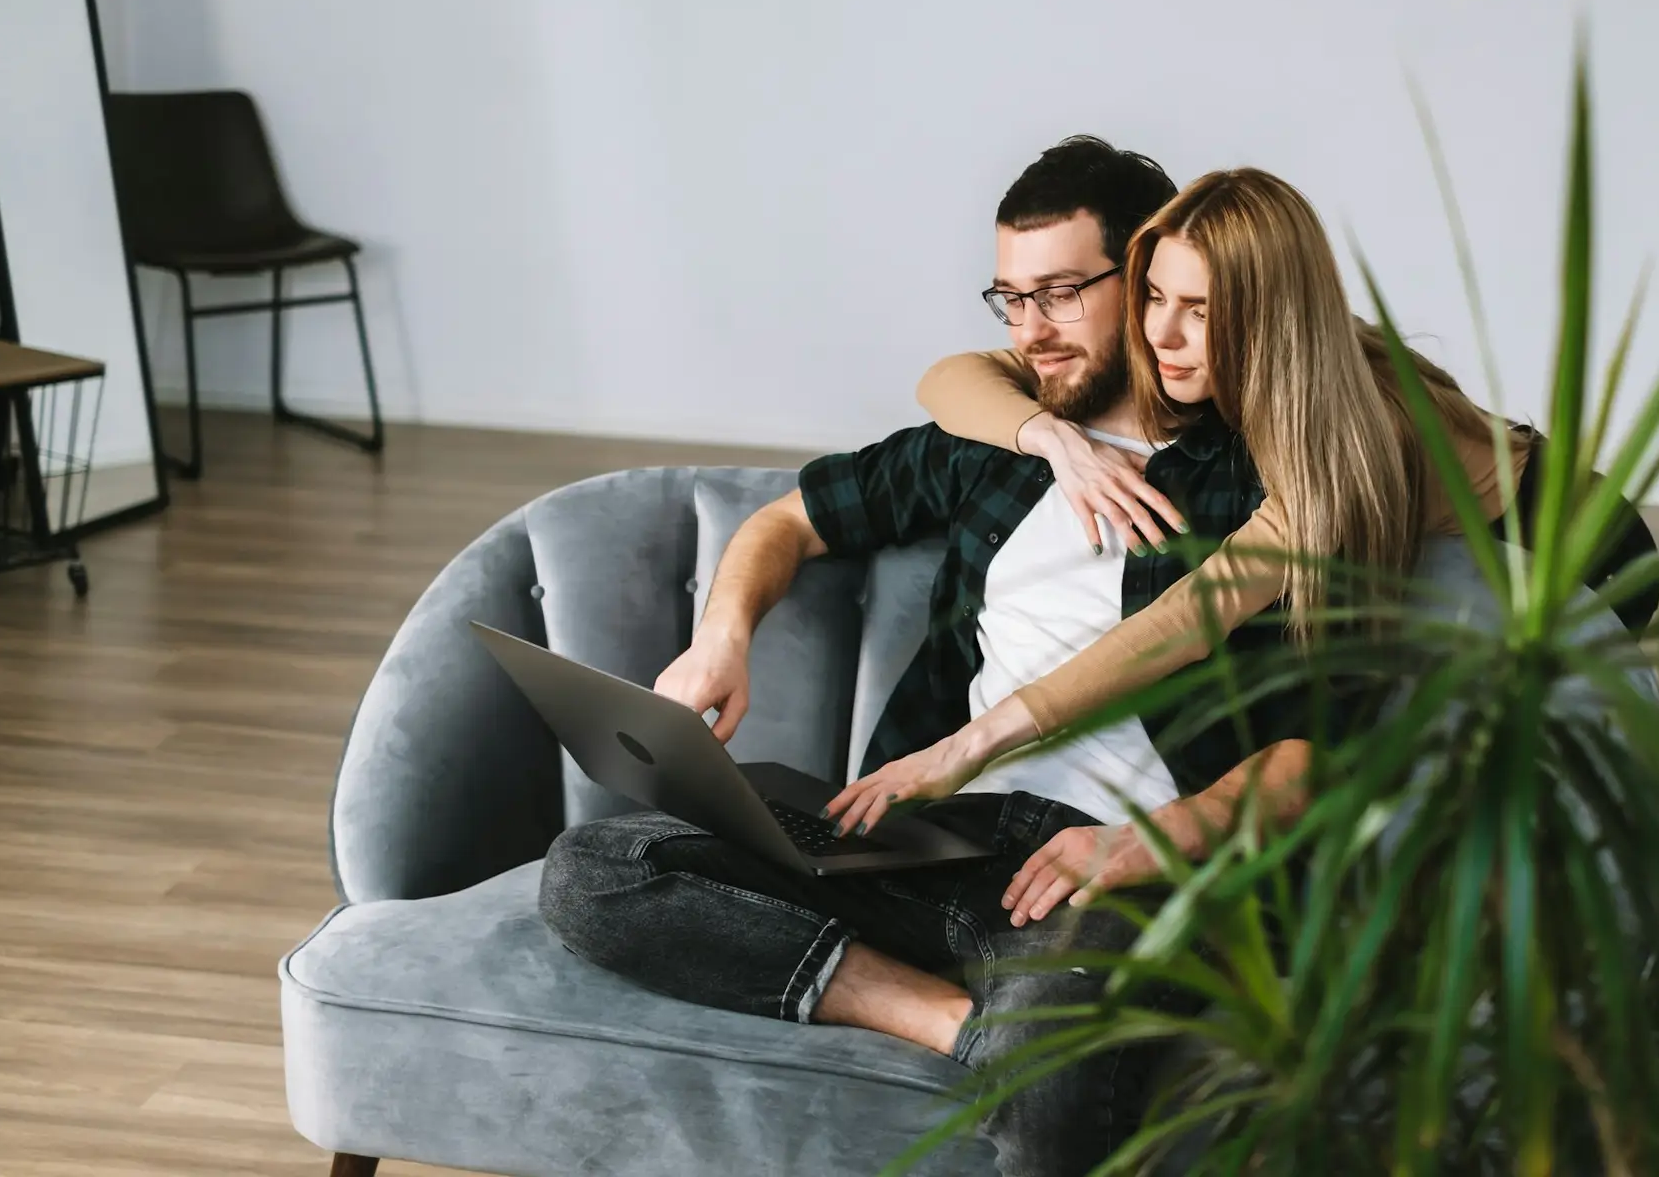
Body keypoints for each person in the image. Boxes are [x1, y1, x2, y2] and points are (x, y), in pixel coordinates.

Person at [537, 139, 1315, 1177]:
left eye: (1060, 294)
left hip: (1097, 869)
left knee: (1058, 1093)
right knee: (599, 866)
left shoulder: (1271, 481)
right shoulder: (995, 443)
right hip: (924, 831)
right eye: (1010, 297)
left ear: (1146, 278)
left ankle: (1020, 1033)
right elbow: (791, 520)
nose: (1028, 330)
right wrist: (721, 636)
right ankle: (955, 1021)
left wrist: (1163, 839)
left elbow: (1318, 746)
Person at [827, 166, 1659, 854]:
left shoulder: (1336, 430)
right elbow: (952, 376)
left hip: (1581, 552)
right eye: (1155, 297)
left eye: (1200, 309)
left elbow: (1191, 617)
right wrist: (1055, 439)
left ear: (1267, 318)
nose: (1163, 335)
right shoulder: (1238, 368)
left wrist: (972, 744)